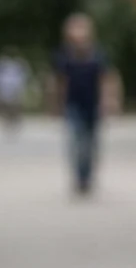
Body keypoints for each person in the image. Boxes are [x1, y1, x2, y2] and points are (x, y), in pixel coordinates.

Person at [50, 13, 121, 196]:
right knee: (76, 141)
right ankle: (79, 176)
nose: (78, 33)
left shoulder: (98, 55)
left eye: (81, 28)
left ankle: (87, 175)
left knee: (91, 143)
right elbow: (60, 81)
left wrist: (109, 101)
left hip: (93, 105)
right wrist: (56, 104)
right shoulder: (64, 55)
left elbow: (107, 79)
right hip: (72, 105)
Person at [0, 50, 32, 134]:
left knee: (15, 108)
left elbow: (24, 76)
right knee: (6, 108)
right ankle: (8, 123)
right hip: (5, 91)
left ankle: (15, 122)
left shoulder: (19, 64)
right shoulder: (1, 65)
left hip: (15, 90)